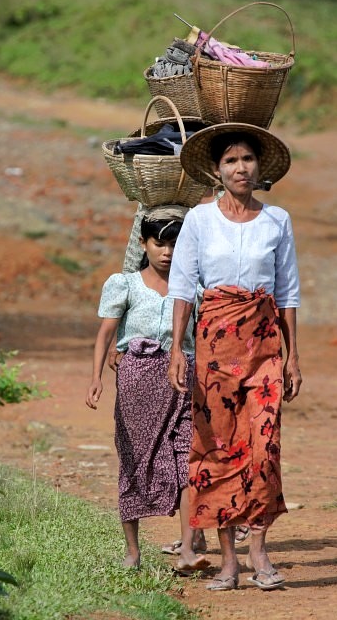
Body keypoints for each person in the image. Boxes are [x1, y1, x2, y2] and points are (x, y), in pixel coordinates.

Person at [167, 122, 301, 591]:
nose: (241, 167)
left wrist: (293, 356)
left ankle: (259, 550)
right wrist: (177, 350)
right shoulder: (200, 221)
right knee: (219, 449)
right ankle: (228, 561)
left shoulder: (277, 220)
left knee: (265, 446)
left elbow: (287, 291)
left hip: (265, 346)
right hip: (213, 347)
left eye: (247, 159)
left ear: (260, 167)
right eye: (231, 161)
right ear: (217, 171)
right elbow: (183, 288)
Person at [85, 206, 210, 574]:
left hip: (184, 378)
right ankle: (133, 552)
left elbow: (200, 337)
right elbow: (106, 334)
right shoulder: (124, 284)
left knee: (187, 459)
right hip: (137, 379)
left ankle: (188, 550)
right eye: (159, 243)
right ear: (143, 244)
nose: (167, 252)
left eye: (175, 244)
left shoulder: (195, 291)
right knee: (135, 459)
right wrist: (96, 377)